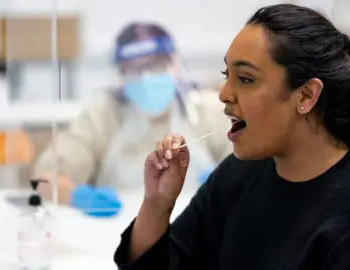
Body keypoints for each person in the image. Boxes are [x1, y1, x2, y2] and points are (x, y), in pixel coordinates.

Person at [114, 4, 350, 269]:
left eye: (245, 78)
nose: (224, 94)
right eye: (228, 75)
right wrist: (157, 205)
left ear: (306, 96)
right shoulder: (237, 177)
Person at [32, 22, 231, 217]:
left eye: (157, 65)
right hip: (119, 234)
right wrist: (79, 197)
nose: (147, 78)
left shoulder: (209, 109)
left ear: (174, 64)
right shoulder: (103, 114)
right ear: (121, 74)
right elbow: (43, 180)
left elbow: (255, 171)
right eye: (135, 69)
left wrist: (229, 181)